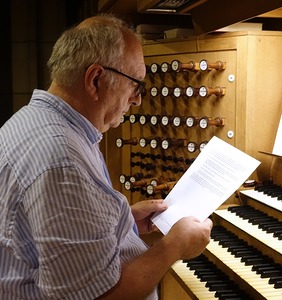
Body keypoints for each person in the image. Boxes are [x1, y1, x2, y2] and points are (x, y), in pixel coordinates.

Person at [0, 14, 213, 300]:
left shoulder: (37, 121)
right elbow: (101, 297)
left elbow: (50, 237)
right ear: (96, 79)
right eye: (136, 84)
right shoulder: (62, 158)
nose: (137, 99)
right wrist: (175, 245)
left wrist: (121, 221)